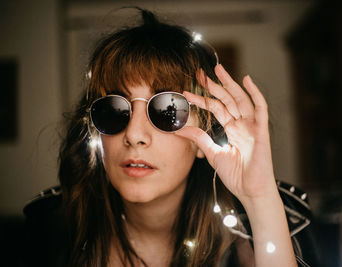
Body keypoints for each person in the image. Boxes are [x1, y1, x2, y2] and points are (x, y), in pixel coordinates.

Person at [23, 8, 313, 267]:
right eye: (114, 109)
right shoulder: (52, 229)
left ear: (205, 139)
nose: (134, 135)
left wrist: (259, 200)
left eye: (166, 111)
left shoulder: (269, 225)